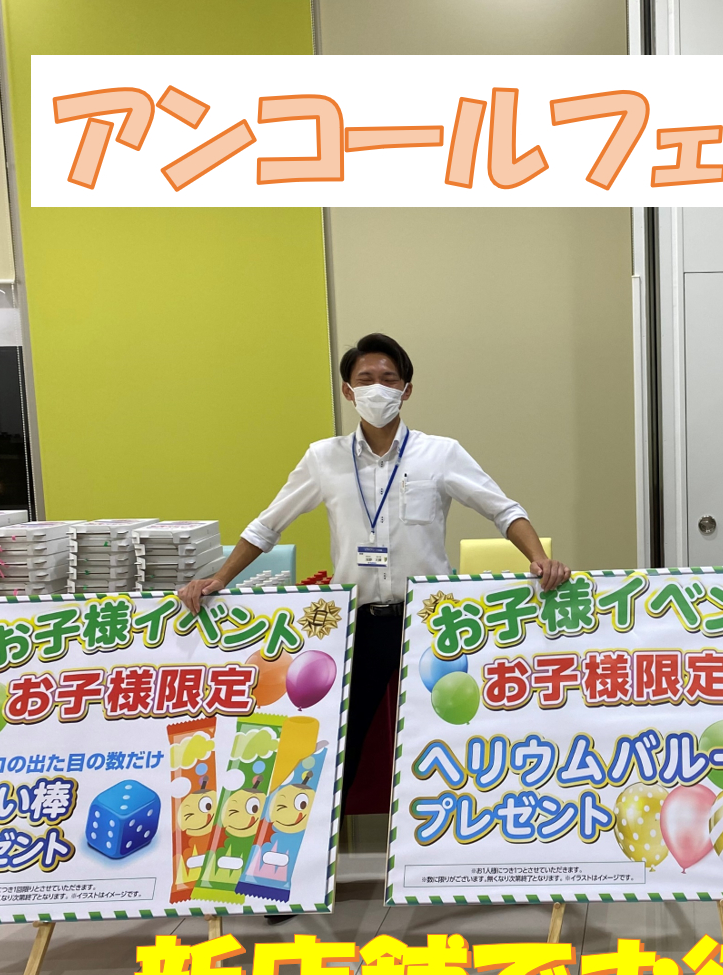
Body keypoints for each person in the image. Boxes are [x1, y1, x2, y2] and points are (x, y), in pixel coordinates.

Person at [180, 332, 568, 809]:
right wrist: (220, 578)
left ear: (407, 389)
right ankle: (318, 843)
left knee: (445, 736)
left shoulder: (440, 453)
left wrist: (537, 557)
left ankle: (450, 836)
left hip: (429, 622)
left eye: (389, 378)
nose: (377, 388)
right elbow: (268, 525)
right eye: (365, 379)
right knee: (341, 745)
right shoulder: (323, 458)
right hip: (356, 622)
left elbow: (504, 510)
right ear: (348, 390)